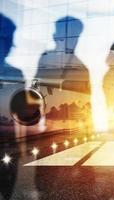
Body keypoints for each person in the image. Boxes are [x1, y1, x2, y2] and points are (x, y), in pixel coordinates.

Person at [35, 16, 92, 131]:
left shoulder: (82, 68)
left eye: (72, 37)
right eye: (61, 34)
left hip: (69, 120)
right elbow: (36, 84)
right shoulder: (45, 58)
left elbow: (83, 96)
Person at [0, 13, 24, 200]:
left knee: (7, 187)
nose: (7, 47)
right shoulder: (15, 73)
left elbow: (20, 114)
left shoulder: (16, 74)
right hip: (8, 143)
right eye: (5, 40)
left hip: (8, 142)